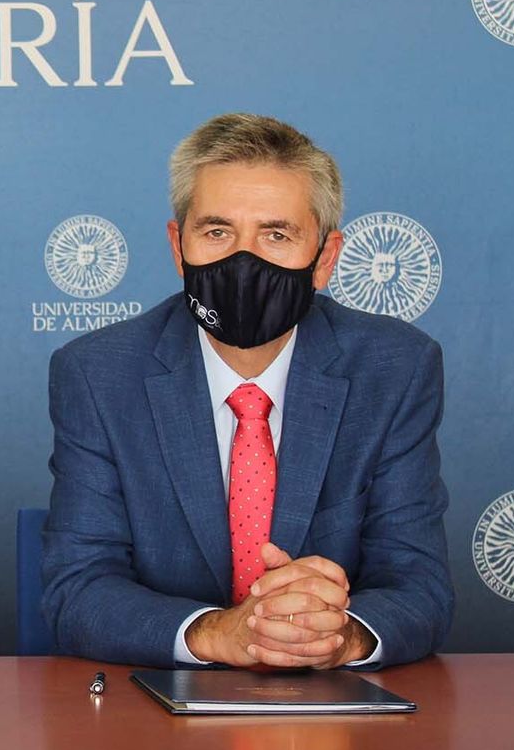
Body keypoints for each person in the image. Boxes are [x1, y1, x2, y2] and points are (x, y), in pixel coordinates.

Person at [41, 113, 453, 669]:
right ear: (177, 245)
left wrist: (339, 634)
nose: (244, 261)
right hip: (151, 727)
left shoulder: (396, 370)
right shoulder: (98, 375)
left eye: (276, 235)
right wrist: (218, 634)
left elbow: (419, 585)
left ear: (326, 259)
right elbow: (78, 590)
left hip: (331, 730)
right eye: (216, 232)